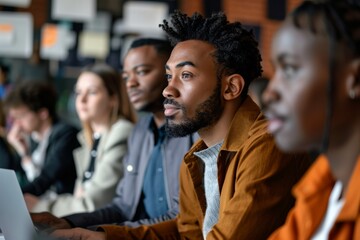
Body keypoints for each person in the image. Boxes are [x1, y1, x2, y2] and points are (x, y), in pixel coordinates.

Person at [49, 12, 313, 240]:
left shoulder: (268, 144)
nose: (167, 89)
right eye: (168, 75)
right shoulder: (195, 157)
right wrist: (100, 235)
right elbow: (186, 233)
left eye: (185, 75)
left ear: (231, 87)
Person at [31, 38, 196, 229]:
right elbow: (123, 207)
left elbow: (181, 219)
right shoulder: (140, 132)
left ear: (170, 73)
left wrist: (106, 233)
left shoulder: (192, 132)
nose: (131, 83)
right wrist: (68, 222)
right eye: (126, 77)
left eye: (142, 72)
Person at [261, 1, 360, 239]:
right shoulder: (322, 189)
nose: (269, 94)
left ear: (355, 80)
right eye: (276, 71)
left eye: (290, 69)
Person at [26, 64, 136, 216]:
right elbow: (80, 198)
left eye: (92, 92)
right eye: (78, 92)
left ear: (113, 99)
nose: (81, 100)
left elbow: (92, 203)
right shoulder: (87, 138)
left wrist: (40, 205)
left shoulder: (121, 132)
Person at [4, 81, 79, 197]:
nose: (17, 124)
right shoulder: (32, 137)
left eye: (21, 116)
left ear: (43, 113)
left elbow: (45, 181)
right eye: (15, 118)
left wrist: (9, 196)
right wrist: (22, 152)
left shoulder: (66, 134)